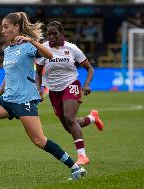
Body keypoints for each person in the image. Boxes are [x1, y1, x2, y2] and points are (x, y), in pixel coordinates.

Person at [0, 12, 86, 181]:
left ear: (17, 27)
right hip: (7, 99)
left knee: (39, 140)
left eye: (6, 26)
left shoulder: (27, 45)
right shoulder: (8, 50)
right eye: (2, 26)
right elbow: (8, 76)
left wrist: (31, 41)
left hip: (23, 100)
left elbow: (50, 55)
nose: (2, 30)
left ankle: (76, 169)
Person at [36, 21, 104, 165]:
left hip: (71, 84)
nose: (51, 37)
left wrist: (86, 85)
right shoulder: (43, 49)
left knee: (70, 118)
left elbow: (89, 68)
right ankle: (92, 118)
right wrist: (39, 89)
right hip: (54, 91)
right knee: (69, 126)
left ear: (62, 34)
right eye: (49, 34)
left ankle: (82, 156)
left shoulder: (72, 48)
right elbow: (38, 72)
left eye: (55, 33)